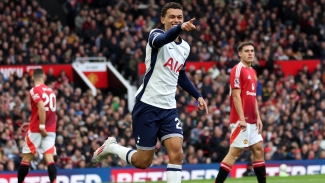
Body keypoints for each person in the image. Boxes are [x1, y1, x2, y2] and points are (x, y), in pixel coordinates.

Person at [92, 2, 208, 183]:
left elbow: (181, 75)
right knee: (143, 162)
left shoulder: (185, 47)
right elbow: (163, 40)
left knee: (177, 152)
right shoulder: (156, 35)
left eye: (179, 17)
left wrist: (198, 95)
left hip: (169, 108)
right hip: (147, 105)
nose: (176, 20)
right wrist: (178, 29)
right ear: (163, 19)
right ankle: (112, 147)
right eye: (172, 17)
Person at [214, 42, 266, 183]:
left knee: (258, 150)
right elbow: (236, 96)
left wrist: (259, 118)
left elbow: (253, 97)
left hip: (253, 120)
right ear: (240, 53)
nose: (250, 53)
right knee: (234, 153)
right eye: (247, 51)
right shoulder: (237, 69)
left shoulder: (253, 72)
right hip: (240, 119)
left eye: (252, 51)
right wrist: (242, 118)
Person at [18, 68, 57, 183]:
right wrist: (33, 122)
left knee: (26, 159)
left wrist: (40, 126)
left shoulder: (34, 90)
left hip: (38, 130)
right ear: (44, 77)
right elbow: (48, 112)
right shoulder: (52, 92)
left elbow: (41, 106)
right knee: (49, 159)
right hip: (51, 130)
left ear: (32, 78)